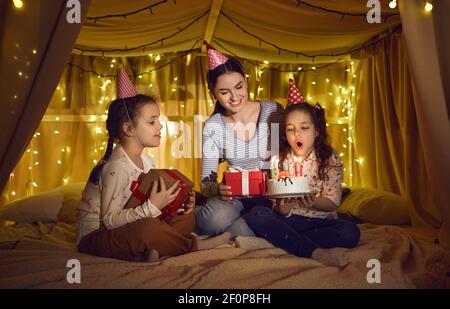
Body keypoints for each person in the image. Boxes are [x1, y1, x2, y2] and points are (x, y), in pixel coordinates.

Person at [76, 66, 230, 262]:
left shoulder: (148, 162)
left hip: (129, 227)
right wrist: (150, 208)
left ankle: (153, 249)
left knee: (186, 218)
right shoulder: (116, 168)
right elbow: (109, 222)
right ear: (128, 129)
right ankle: (193, 245)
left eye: (158, 120)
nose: (160, 126)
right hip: (96, 238)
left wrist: (178, 205)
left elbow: (146, 204)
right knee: (148, 229)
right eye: (152, 122)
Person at [244, 79, 360, 268]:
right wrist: (283, 209)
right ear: (285, 134)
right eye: (291, 129)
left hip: (320, 223)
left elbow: (332, 203)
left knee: (351, 232)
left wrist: (312, 201)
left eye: (304, 128)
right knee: (257, 214)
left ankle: (286, 242)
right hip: (290, 221)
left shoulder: (329, 157)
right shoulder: (280, 159)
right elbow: (276, 200)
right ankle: (314, 251)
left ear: (316, 131)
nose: (297, 134)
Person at [196, 42, 283, 238]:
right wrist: (218, 188)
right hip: (235, 199)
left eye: (239, 86)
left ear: (246, 81)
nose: (235, 97)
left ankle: (242, 227)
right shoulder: (213, 126)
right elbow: (206, 182)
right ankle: (205, 217)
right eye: (225, 92)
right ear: (213, 94)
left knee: (247, 229)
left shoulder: (273, 111)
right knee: (212, 220)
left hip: (272, 196)